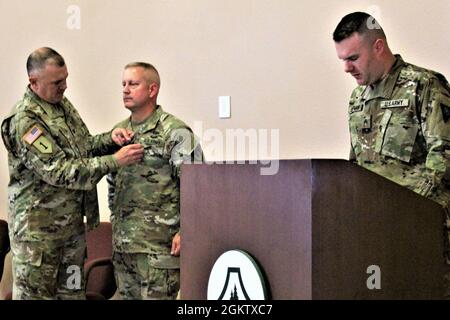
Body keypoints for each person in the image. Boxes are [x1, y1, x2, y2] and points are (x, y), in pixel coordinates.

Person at [1, 47, 144, 299]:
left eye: (65, 78)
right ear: (34, 82)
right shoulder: (25, 120)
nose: (65, 86)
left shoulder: (61, 105)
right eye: (57, 82)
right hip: (39, 240)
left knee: (73, 295)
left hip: (71, 235)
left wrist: (110, 139)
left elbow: (84, 147)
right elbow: (59, 171)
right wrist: (114, 161)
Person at [333, 12, 450, 296]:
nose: (347, 68)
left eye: (353, 58)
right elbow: (356, 165)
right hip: (374, 234)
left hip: (422, 232)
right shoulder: (357, 100)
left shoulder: (423, 85)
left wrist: (406, 213)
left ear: (378, 47)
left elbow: (444, 159)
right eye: (343, 60)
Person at [107, 62, 202, 299]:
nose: (126, 90)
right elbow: (112, 183)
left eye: (133, 84)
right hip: (125, 248)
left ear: (152, 90)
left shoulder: (175, 132)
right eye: (124, 84)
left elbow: (197, 189)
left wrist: (186, 231)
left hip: (160, 250)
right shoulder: (119, 132)